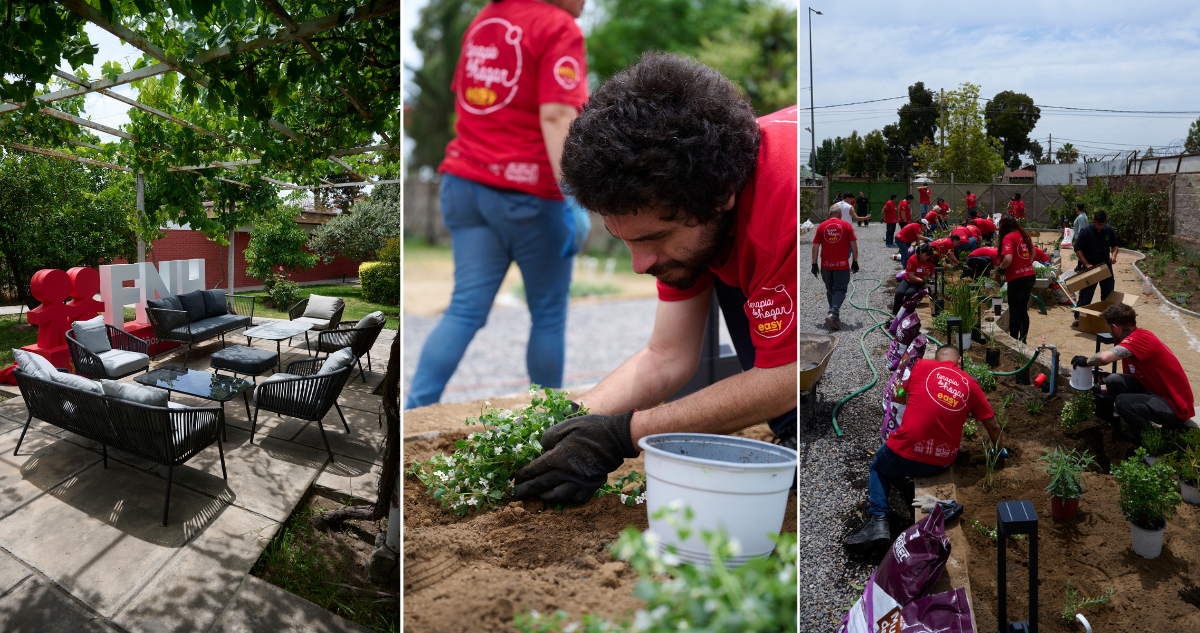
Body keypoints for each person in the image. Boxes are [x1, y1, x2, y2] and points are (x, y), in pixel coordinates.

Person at [513, 53, 798, 505]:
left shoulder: (786, 202)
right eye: (623, 240)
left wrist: (624, 435)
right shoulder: (692, 207)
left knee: (806, 409)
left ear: (722, 194)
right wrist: (565, 425)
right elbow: (667, 354)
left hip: (809, 328)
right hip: (742, 256)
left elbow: (790, 373)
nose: (639, 265)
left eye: (654, 238)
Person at [406, 0, 588, 409]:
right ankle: (546, 420)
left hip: (465, 184)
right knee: (548, 315)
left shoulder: (485, 20)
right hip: (529, 196)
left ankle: (413, 413)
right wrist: (575, 194)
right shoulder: (558, 26)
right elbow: (559, 114)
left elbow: (474, 100)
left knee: (464, 310)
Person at [845, 345, 1000, 548]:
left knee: (877, 467)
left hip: (906, 451)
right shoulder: (971, 384)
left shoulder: (920, 366)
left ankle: (879, 522)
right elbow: (994, 426)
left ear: (936, 360)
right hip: (941, 462)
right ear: (960, 361)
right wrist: (1000, 452)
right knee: (904, 461)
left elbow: (906, 400)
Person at [1073, 304, 1195, 440]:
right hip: (1156, 394)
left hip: (1176, 407)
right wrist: (1096, 388)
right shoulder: (1131, 345)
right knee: (1113, 380)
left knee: (1122, 403)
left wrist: (1086, 361)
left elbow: (1104, 358)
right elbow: (1130, 384)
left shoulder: (1141, 339)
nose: (1109, 332)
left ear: (1115, 327)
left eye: (1109, 329)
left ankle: (1154, 441)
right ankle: (1137, 427)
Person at [813, 204, 859, 331]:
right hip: (841, 266)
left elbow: (815, 246)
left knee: (830, 290)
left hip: (826, 267)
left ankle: (834, 316)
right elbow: (854, 245)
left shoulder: (822, 226)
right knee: (839, 290)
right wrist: (855, 261)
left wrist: (814, 264)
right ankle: (832, 313)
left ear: (829, 214)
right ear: (840, 215)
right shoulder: (846, 226)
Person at [1072, 210, 1119, 327]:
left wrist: (1113, 256)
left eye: (1102, 224)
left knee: (1108, 293)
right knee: (1086, 294)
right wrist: (1086, 263)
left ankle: (1106, 318)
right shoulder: (1085, 232)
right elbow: (1077, 248)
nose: (1100, 226)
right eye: (1098, 224)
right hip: (1090, 268)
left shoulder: (1109, 230)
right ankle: (1079, 317)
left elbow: (1115, 245)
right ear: (1093, 220)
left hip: (1105, 267)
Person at [997, 215, 1036, 342]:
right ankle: (1023, 340)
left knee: (1014, 310)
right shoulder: (1024, 234)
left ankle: (1013, 341)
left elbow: (1008, 259)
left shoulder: (1008, 237)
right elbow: (1033, 253)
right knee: (1023, 310)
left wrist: (1000, 268)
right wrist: (1026, 264)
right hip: (1030, 275)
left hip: (1017, 278)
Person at [893, 243, 936, 314]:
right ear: (921, 252)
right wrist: (923, 281)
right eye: (926, 255)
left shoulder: (930, 261)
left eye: (929, 255)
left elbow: (932, 273)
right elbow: (911, 276)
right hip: (909, 280)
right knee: (899, 293)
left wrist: (932, 279)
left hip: (918, 284)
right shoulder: (913, 260)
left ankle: (906, 312)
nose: (927, 257)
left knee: (909, 293)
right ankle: (896, 313)